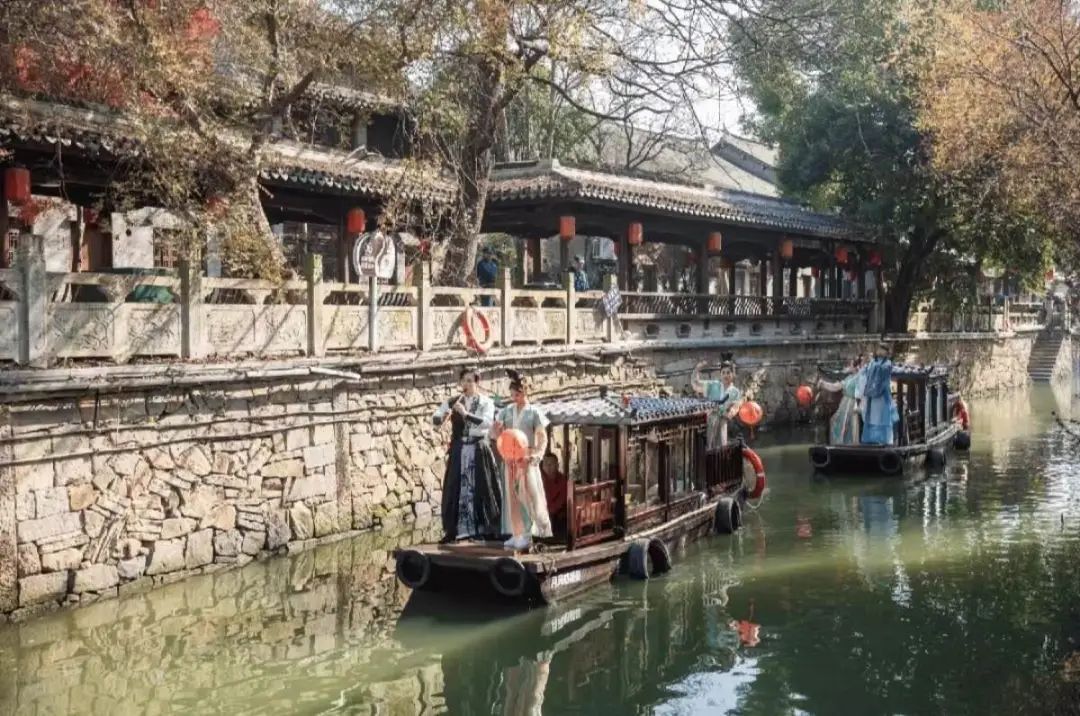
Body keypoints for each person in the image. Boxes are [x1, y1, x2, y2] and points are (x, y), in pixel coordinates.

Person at [432, 367, 502, 542]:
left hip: (479, 449)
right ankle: (454, 530)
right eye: (464, 381)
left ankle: (484, 529)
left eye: (470, 381)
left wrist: (465, 414)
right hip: (459, 449)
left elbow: (487, 423)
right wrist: (442, 417)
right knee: (454, 488)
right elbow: (436, 417)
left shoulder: (486, 402)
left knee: (482, 488)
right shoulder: (453, 401)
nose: (467, 384)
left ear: (477, 383)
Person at [492, 369, 553, 551]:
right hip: (510, 459)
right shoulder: (506, 411)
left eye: (517, 394)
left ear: (525, 392)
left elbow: (542, 438)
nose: (514, 398)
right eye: (512, 394)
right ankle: (514, 533)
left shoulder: (534, 413)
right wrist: (497, 430)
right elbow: (496, 433)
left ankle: (527, 534)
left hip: (526, 460)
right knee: (510, 496)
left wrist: (536, 456)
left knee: (527, 496)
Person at [692, 354, 742, 448]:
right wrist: (697, 369)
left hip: (722, 423)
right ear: (720, 374)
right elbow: (696, 384)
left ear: (733, 374)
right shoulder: (714, 385)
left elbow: (734, 410)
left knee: (721, 448)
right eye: (723, 373)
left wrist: (724, 412)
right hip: (710, 421)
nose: (726, 375)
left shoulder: (735, 392)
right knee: (708, 446)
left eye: (728, 373)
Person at [817, 354, 867, 446]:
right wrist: (824, 384)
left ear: (855, 366)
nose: (849, 367)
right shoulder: (849, 378)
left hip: (852, 404)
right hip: (844, 403)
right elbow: (837, 386)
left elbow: (862, 392)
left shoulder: (860, 377)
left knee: (850, 425)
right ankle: (840, 444)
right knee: (835, 421)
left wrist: (860, 405)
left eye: (850, 365)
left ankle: (850, 445)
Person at [860, 342, 897, 445]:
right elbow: (865, 373)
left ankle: (884, 439)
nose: (880, 351)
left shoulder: (887, 363)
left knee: (882, 417)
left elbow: (884, 373)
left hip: (882, 395)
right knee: (872, 416)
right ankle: (871, 439)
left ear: (886, 352)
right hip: (872, 396)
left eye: (883, 349)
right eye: (879, 349)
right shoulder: (872, 363)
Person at [540, 454, 568, 535]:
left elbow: (561, 501)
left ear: (557, 465)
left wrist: (548, 511)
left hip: (556, 515)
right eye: (546, 464)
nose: (548, 467)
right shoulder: (539, 478)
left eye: (551, 464)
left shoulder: (562, 480)